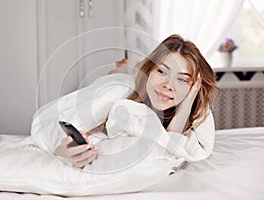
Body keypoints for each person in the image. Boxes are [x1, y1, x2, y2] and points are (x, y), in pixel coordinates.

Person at [54, 34, 219, 169]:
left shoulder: (193, 108)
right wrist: (70, 151)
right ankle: (117, 71)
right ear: (149, 70)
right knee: (112, 81)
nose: (168, 85)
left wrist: (188, 101)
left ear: (194, 87)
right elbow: (59, 146)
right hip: (122, 86)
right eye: (161, 71)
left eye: (182, 80)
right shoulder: (120, 98)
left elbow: (170, 147)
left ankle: (118, 71)